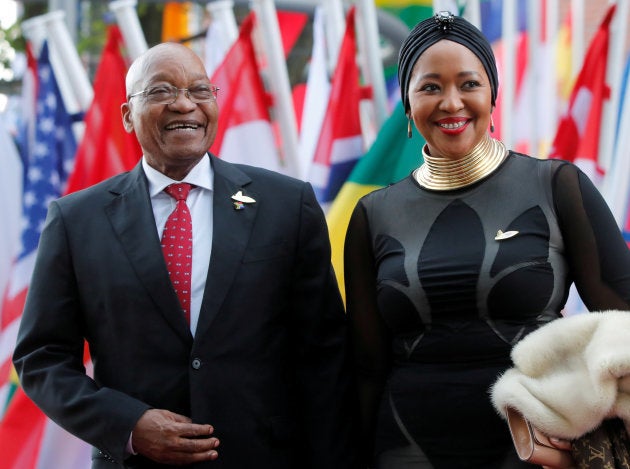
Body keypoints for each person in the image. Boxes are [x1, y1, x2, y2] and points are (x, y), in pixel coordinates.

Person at [13, 42, 355, 469]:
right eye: (160, 92)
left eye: (199, 91)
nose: (183, 104)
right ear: (126, 116)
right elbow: (41, 358)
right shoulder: (75, 220)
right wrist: (129, 425)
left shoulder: (286, 205)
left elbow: (324, 356)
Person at [344, 11, 630, 469]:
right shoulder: (372, 214)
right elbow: (365, 366)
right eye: (430, 86)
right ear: (407, 103)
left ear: (492, 94)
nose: (451, 102)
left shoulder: (558, 185)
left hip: (536, 447)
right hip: (404, 448)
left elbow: (624, 320)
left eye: (469, 84)